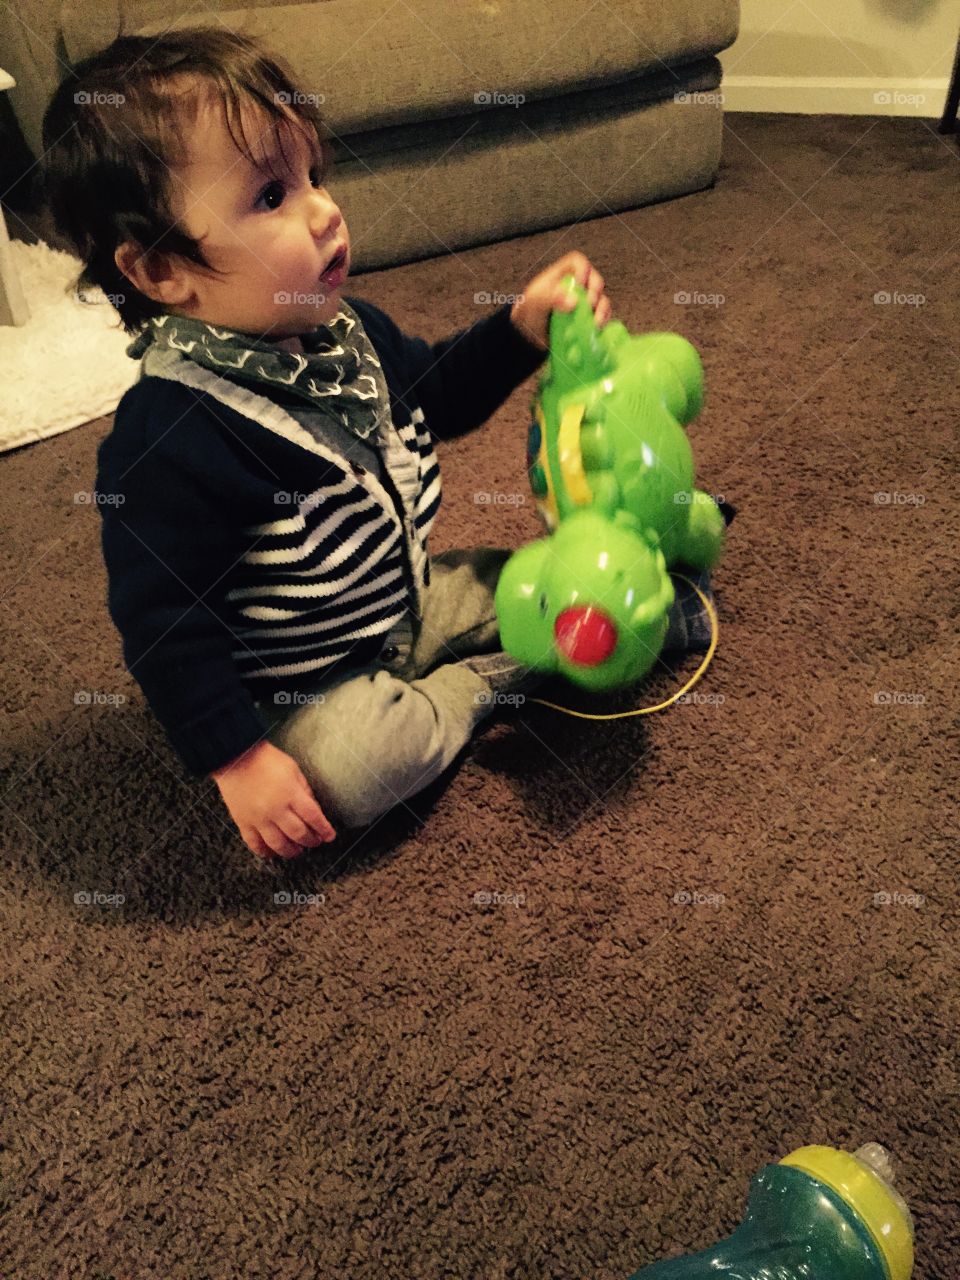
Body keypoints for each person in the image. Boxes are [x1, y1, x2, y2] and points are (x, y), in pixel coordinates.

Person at [41, 27, 723, 861]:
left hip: (404, 599)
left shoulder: (347, 336)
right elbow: (164, 624)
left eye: (314, 176)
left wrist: (517, 330)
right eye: (269, 196)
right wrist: (240, 760)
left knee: (512, 580)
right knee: (357, 769)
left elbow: (439, 392)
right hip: (297, 689)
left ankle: (609, 593)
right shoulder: (170, 440)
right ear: (159, 273)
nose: (324, 209)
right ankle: (492, 685)